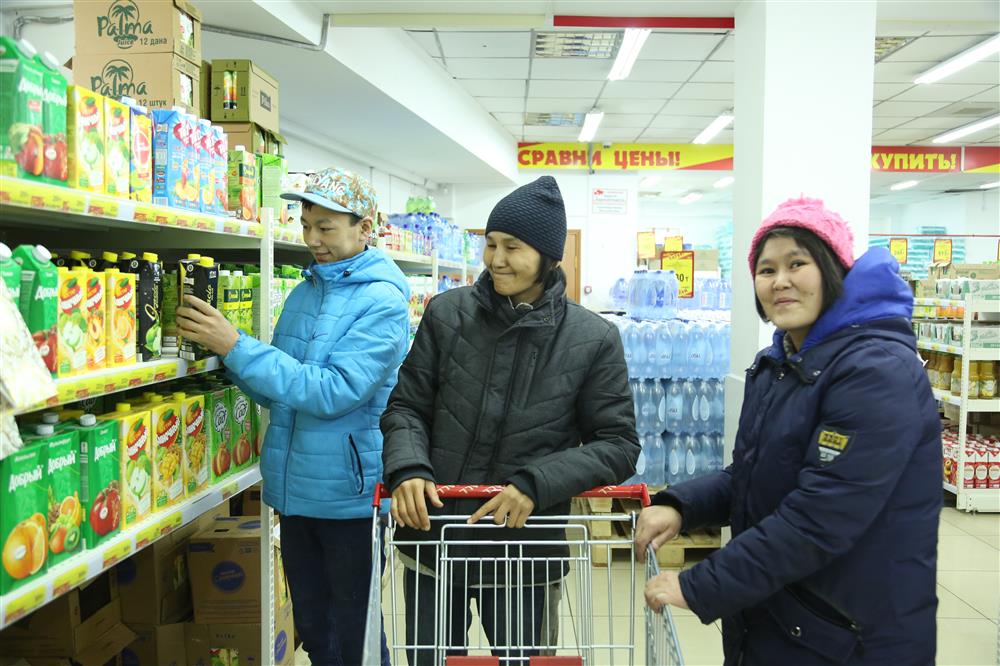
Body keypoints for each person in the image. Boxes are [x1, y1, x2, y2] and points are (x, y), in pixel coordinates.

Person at [636, 197, 941, 666]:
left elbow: (820, 517)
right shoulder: (783, 363)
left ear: (833, 271)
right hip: (787, 614)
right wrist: (682, 504)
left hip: (849, 632)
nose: (780, 281)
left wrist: (700, 584)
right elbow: (755, 475)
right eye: (765, 269)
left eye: (797, 263)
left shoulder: (875, 371)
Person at [381, 176, 640, 665]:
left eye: (512, 247)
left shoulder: (593, 338)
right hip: (434, 542)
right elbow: (406, 407)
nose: (496, 259)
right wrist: (408, 468)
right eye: (491, 244)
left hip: (526, 556)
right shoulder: (446, 314)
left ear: (547, 256)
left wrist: (535, 483)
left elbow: (619, 445)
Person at [176, 168, 410, 666]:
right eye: (305, 225)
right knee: (313, 627)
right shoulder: (306, 291)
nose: (311, 239)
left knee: (357, 635)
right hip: (294, 491)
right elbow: (282, 391)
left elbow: (333, 392)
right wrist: (225, 359)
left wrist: (237, 346)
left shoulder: (384, 302)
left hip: (349, 498)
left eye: (325, 227)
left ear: (363, 228)